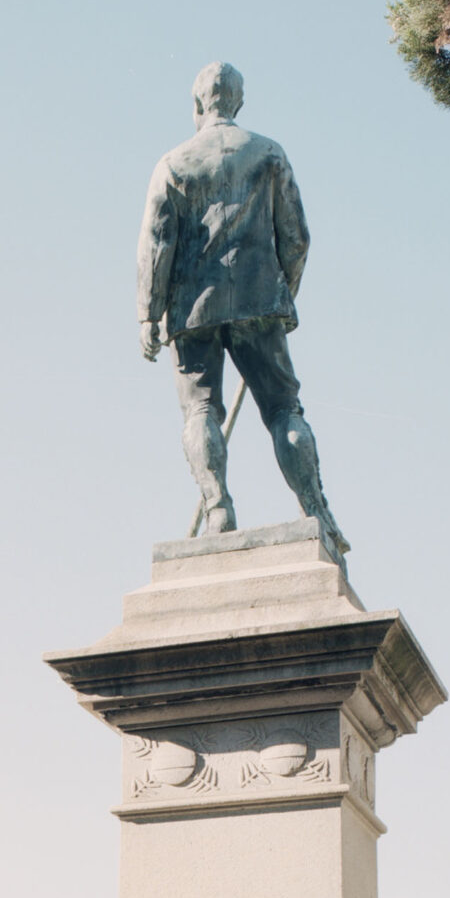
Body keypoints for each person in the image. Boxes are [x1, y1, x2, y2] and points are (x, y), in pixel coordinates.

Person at [136, 62, 350, 553]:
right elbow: (297, 238)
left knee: (200, 410)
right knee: (283, 410)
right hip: (259, 298)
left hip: (193, 307)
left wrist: (148, 312)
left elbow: (157, 243)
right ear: (238, 104)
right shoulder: (269, 153)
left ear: (197, 106)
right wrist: (282, 292)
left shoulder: (172, 164)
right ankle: (316, 508)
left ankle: (217, 510)